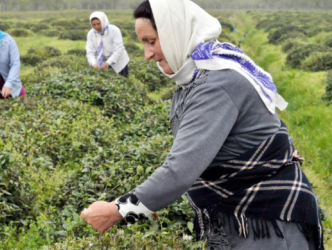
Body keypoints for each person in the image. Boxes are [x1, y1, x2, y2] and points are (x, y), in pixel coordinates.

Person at [80, 1, 324, 249]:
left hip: (266, 218)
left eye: (151, 41)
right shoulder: (198, 73)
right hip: (237, 213)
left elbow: (180, 169)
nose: (147, 54)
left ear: (175, 32)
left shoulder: (216, 83)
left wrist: (117, 210)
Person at [86, 11, 130, 77]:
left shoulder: (114, 30)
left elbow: (118, 50)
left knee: (122, 81)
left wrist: (108, 63)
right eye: (94, 25)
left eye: (98, 24)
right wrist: (94, 63)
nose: (96, 27)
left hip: (118, 62)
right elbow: (90, 52)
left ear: (103, 21)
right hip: (102, 62)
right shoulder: (91, 34)